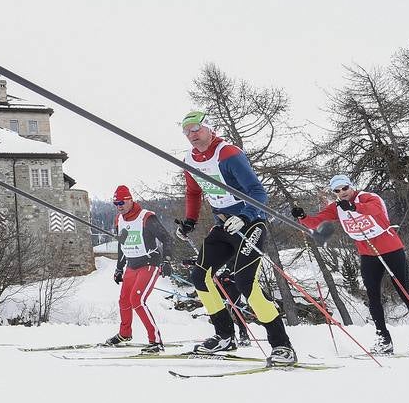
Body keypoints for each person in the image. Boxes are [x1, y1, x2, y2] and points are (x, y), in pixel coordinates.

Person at [173, 111, 298, 367]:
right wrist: (190, 221)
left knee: (245, 283)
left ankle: (282, 345)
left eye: (196, 128)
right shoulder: (189, 160)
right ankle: (224, 335)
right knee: (200, 276)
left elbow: (258, 192)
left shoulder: (228, 154)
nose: (191, 135)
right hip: (223, 225)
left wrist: (245, 215)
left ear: (209, 128)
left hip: (249, 223)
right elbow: (194, 192)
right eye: (186, 132)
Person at [292, 175, 409, 355]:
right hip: (368, 254)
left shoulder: (367, 197)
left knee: (404, 292)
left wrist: (354, 207)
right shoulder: (337, 207)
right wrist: (302, 216)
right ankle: (383, 339)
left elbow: (375, 210)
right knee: (373, 297)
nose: (342, 193)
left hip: (391, 250)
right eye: (337, 191)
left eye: (344, 188)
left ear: (351, 186)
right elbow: (316, 221)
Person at [104, 185, 168, 352]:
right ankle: (125, 334)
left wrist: (166, 261)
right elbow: (122, 244)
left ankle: (155, 341)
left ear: (130, 200)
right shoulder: (120, 220)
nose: (118, 206)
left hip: (149, 263)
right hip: (132, 265)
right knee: (124, 300)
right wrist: (119, 268)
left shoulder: (146, 217)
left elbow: (167, 239)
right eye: (115, 203)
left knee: (137, 301)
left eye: (121, 202)